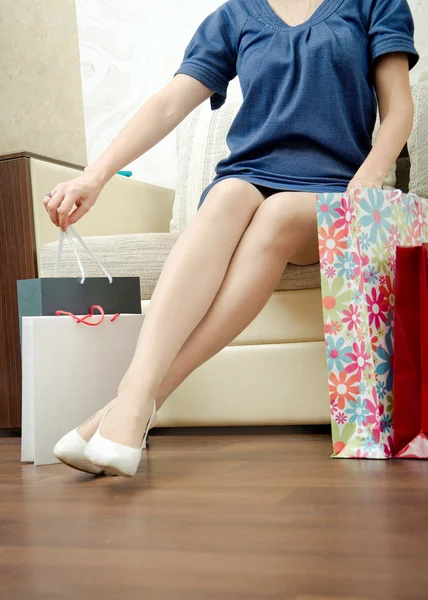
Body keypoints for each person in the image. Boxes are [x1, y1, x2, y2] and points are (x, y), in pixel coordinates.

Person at [50, 0, 419, 477]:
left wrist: (368, 178)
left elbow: (399, 108)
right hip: (248, 177)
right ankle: (134, 400)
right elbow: (168, 104)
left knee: (278, 213)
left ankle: (126, 407)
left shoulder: (374, 4)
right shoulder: (235, 16)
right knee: (225, 195)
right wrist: (93, 178)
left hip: (334, 189)